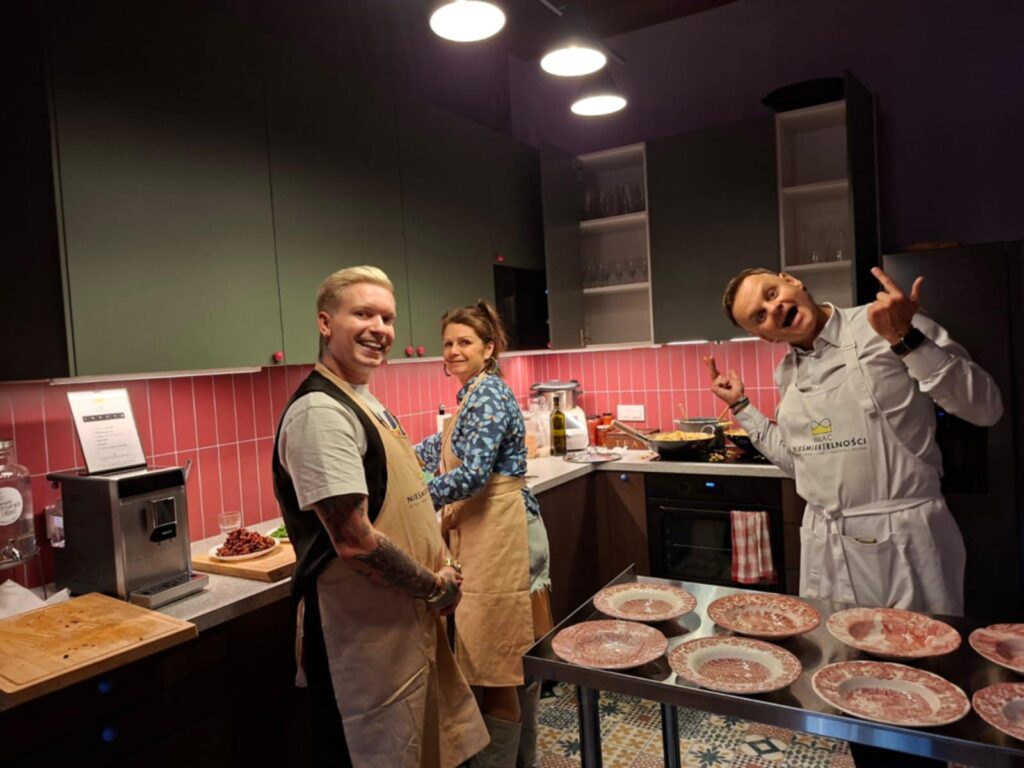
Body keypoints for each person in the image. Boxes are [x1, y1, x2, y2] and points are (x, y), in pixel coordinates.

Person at [272, 266, 488, 768]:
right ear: (326, 323)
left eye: (387, 318)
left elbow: (407, 502)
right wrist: (434, 587)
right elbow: (354, 541)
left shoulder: (363, 401)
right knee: (376, 752)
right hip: (359, 635)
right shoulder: (320, 413)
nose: (379, 329)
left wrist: (443, 564)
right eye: (363, 314)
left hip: (401, 620)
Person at [706, 266, 1002, 617]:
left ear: (792, 281)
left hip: (905, 544)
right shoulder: (787, 374)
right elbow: (804, 465)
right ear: (764, 336)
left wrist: (908, 339)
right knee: (835, 649)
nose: (774, 309)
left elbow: (985, 408)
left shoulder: (886, 322)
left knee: (915, 649)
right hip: (825, 550)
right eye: (760, 316)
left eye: (771, 294)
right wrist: (742, 407)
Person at [414, 301, 553, 768]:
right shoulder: (472, 395)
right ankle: (522, 759)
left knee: (495, 667)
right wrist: (397, 460)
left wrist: (417, 499)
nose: (453, 351)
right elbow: (440, 446)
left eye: (465, 342)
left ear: (488, 348)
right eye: (448, 343)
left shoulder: (488, 394)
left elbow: (473, 476)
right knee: (511, 663)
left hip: (504, 537)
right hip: (492, 533)